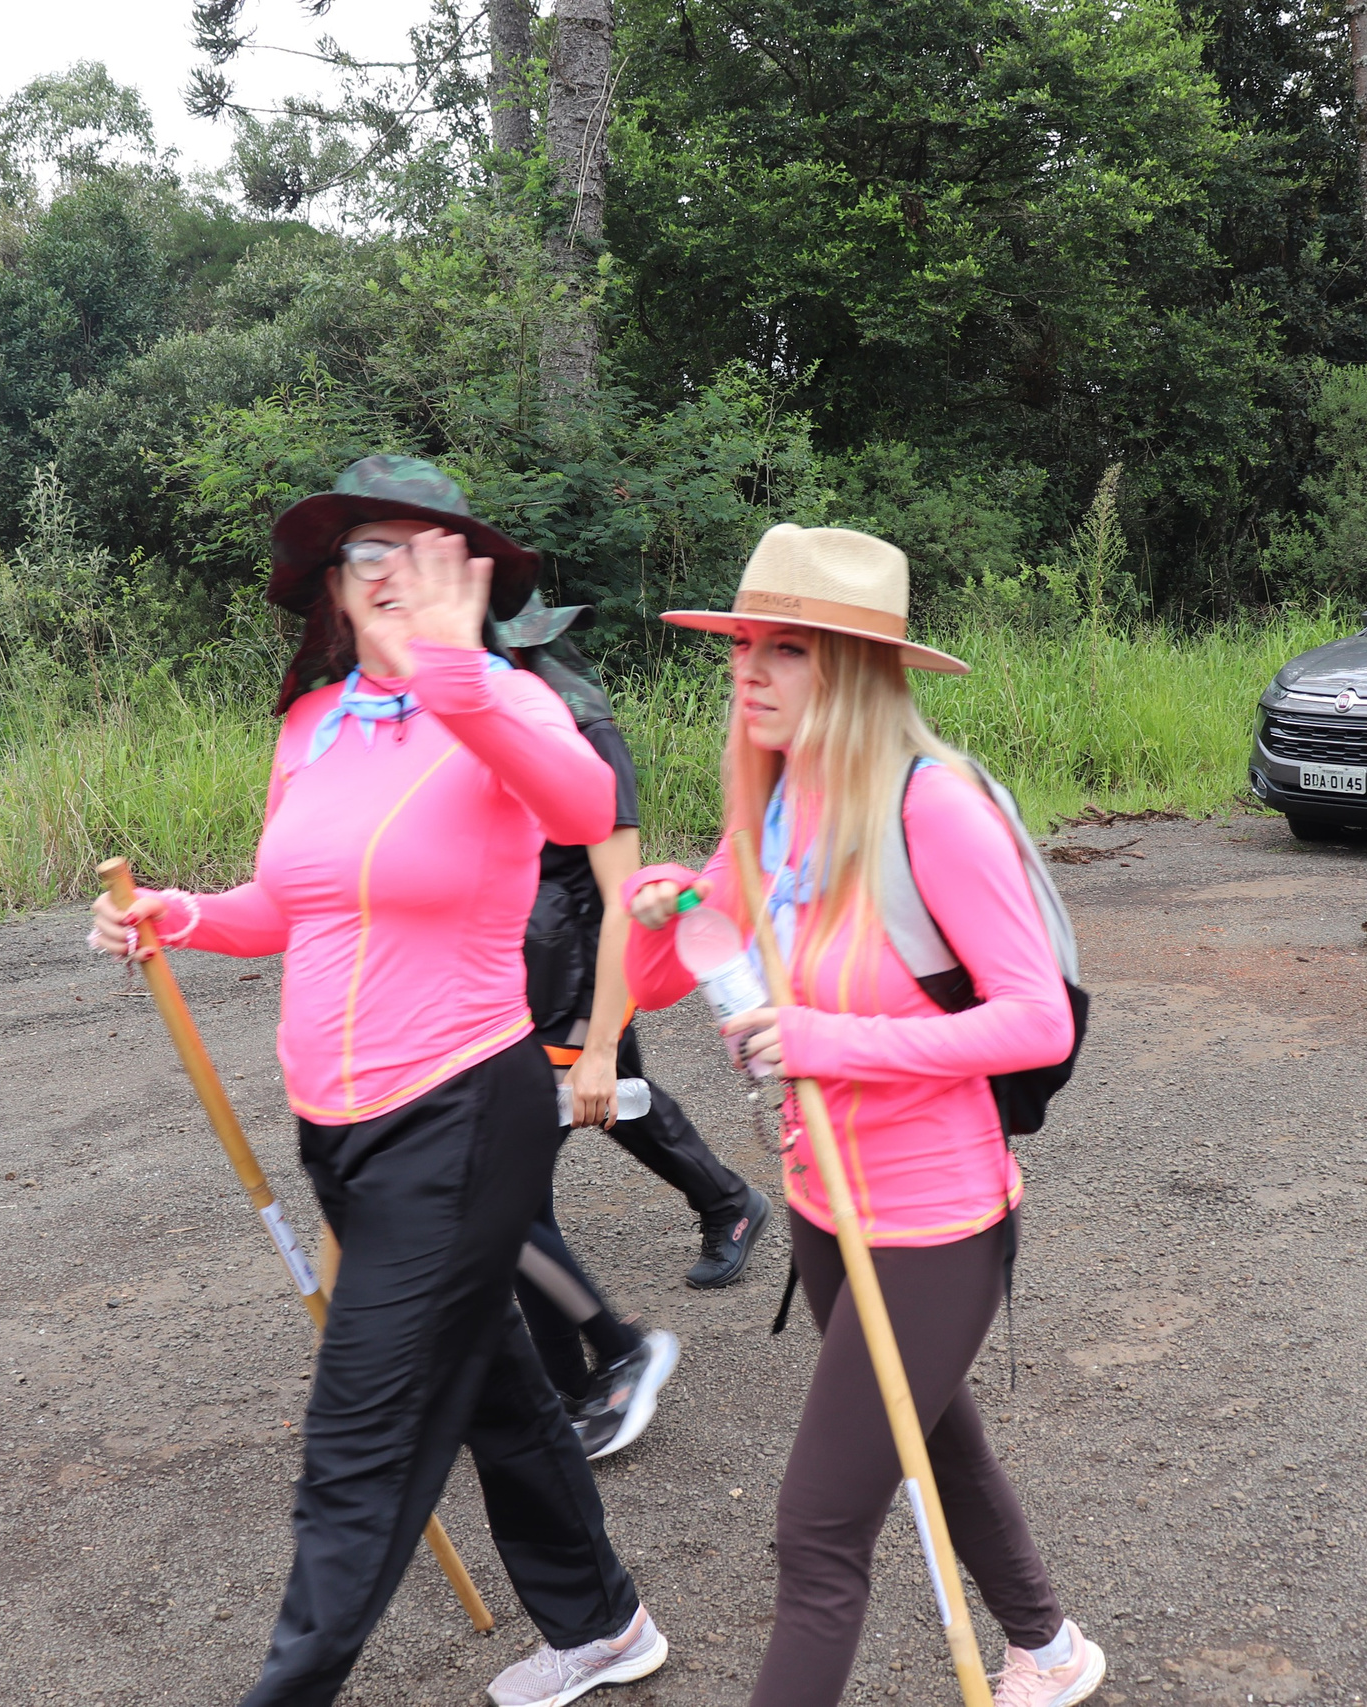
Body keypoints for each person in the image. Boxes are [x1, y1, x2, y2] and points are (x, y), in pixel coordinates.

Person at [90, 456, 666, 1707]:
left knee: (359, 1437)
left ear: (467, 578)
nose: (396, 578)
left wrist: (458, 670)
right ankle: (604, 1625)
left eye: (424, 555)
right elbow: (285, 908)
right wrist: (178, 914)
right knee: (499, 1390)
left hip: (461, 1109)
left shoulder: (504, 703)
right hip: (334, 1128)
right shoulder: (314, 725)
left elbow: (580, 803)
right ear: (337, 593)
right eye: (370, 558)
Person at [623, 524, 1104, 1707]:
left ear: (853, 671)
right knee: (936, 1437)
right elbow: (656, 984)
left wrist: (832, 1042)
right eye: (741, 644)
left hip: (936, 1222)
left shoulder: (933, 806)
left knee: (817, 1531)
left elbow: (1035, 1021)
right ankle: (1050, 1648)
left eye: (784, 649)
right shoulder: (775, 809)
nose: (748, 670)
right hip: (820, 1200)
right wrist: (652, 916)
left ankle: (1042, 1648)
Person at [494, 593, 768, 1463]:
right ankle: (726, 1203)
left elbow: (620, 895)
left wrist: (600, 1033)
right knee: (597, 1120)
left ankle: (596, 1368)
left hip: (580, 969)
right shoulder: (504, 715)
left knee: (514, 1182)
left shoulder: (580, 726)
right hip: (525, 967)